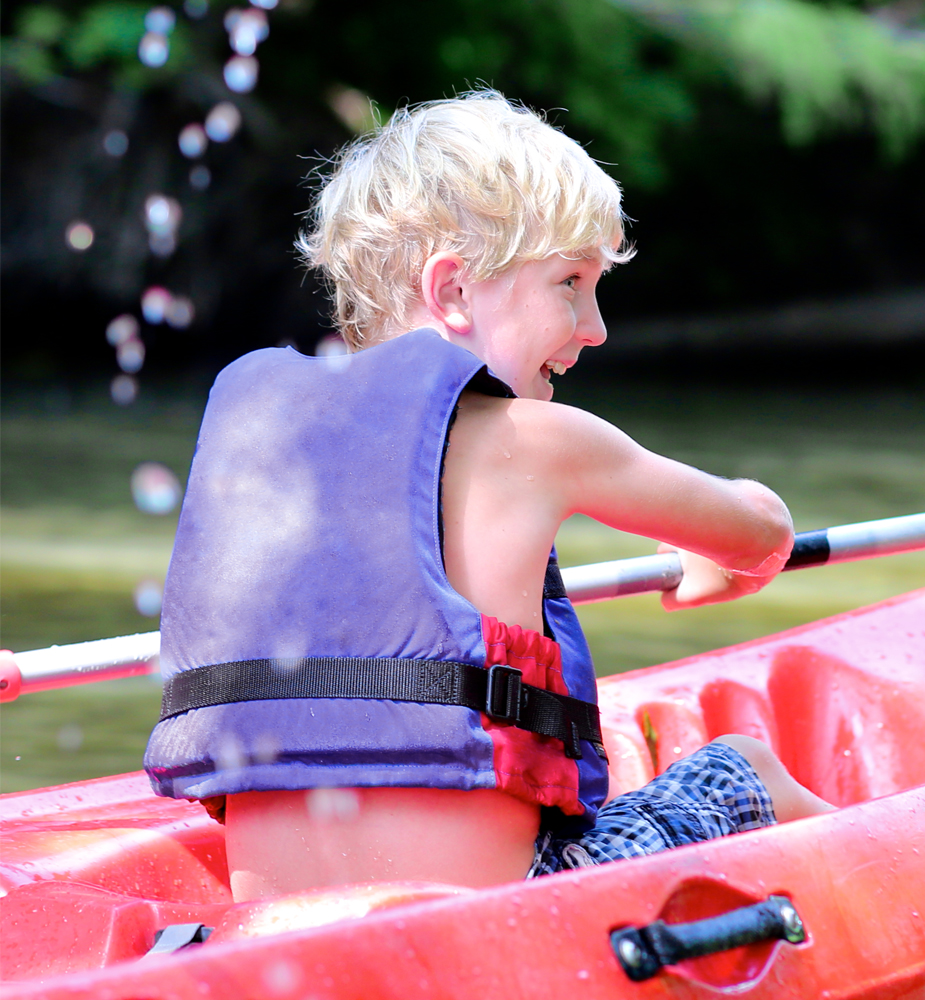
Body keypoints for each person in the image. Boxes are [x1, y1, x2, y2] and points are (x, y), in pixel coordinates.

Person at [143, 91, 831, 903]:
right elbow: (761, 531)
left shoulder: (266, 449)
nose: (595, 327)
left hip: (281, 925)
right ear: (455, 292)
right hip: (500, 915)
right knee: (743, 770)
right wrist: (723, 557)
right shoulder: (537, 441)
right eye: (571, 283)